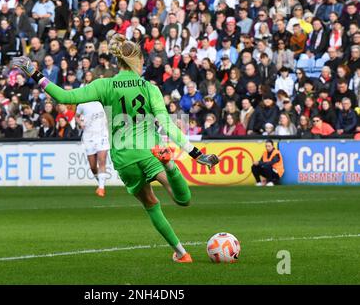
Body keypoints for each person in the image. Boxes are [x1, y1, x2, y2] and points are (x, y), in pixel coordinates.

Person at [12, 34, 220, 263]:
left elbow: (64, 96)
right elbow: (168, 124)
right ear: (137, 61)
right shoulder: (149, 88)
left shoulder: (105, 84)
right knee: (183, 199)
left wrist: (34, 72)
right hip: (149, 150)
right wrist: (195, 153)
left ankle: (182, 253)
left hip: (123, 157)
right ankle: (169, 164)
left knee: (151, 204)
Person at [76, 101, 110, 197]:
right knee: (93, 167)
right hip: (89, 136)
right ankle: (100, 182)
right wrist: (80, 123)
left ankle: (101, 188)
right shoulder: (81, 105)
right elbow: (76, 116)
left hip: (102, 135)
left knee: (102, 160)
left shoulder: (101, 101)